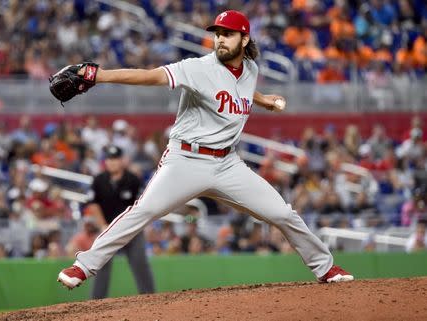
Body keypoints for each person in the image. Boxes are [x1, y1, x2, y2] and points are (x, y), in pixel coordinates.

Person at [58, 10, 353, 289]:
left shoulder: (250, 69)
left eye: (228, 34)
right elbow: (151, 76)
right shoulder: (197, 68)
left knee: (283, 214)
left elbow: (242, 89)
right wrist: (99, 76)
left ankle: (325, 268)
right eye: (217, 33)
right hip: (185, 160)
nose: (220, 39)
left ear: (244, 39)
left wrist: (265, 101)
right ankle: (83, 266)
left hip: (227, 164)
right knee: (144, 210)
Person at [83, 145, 155, 298]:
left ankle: (151, 300)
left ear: (122, 160)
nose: (112, 162)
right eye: (109, 159)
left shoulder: (133, 180)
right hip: (107, 229)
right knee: (100, 265)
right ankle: (95, 304)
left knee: (140, 264)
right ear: (105, 161)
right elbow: (93, 204)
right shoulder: (99, 180)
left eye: (115, 159)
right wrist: (103, 225)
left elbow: (141, 205)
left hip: (131, 230)